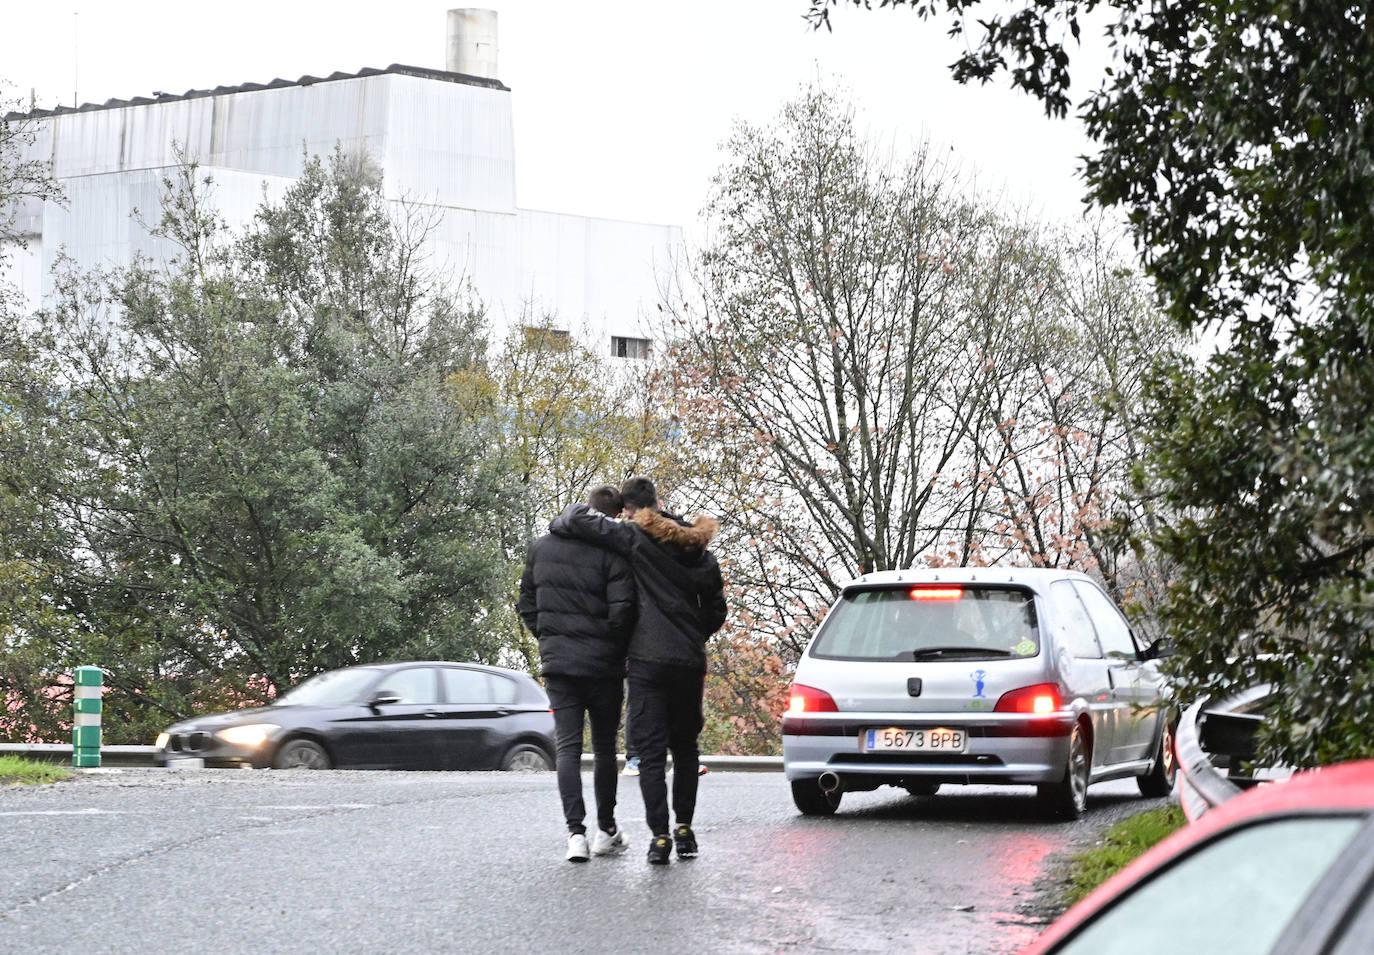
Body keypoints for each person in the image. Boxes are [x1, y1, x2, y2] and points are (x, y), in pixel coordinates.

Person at [556, 476, 727, 864]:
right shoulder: (700, 550)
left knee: (649, 754)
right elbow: (717, 609)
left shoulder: (635, 539)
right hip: (688, 661)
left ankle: (660, 837)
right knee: (685, 747)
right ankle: (685, 829)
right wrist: (692, 633)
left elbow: (579, 520)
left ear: (632, 511)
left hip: (648, 661)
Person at [517, 485, 636, 863]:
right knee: (604, 749)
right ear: (612, 518)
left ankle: (575, 835)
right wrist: (612, 650)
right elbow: (623, 614)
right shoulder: (613, 553)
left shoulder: (542, 547)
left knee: (567, 748)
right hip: (603, 668)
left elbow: (528, 605)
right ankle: (606, 830)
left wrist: (550, 639)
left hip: (560, 667)